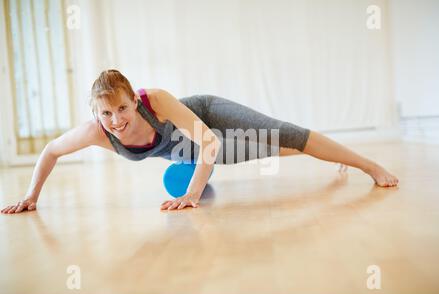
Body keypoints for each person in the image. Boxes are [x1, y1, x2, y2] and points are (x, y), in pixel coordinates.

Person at [1, 70, 398, 213]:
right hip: (190, 149)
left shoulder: (154, 100)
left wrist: (191, 195)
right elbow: (51, 150)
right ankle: (331, 156)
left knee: (282, 132)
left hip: (205, 118)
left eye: (122, 109)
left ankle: (368, 164)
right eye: (105, 113)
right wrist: (32, 195)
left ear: (133, 101)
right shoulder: (96, 131)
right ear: (95, 113)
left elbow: (208, 142)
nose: (116, 121)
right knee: (269, 148)